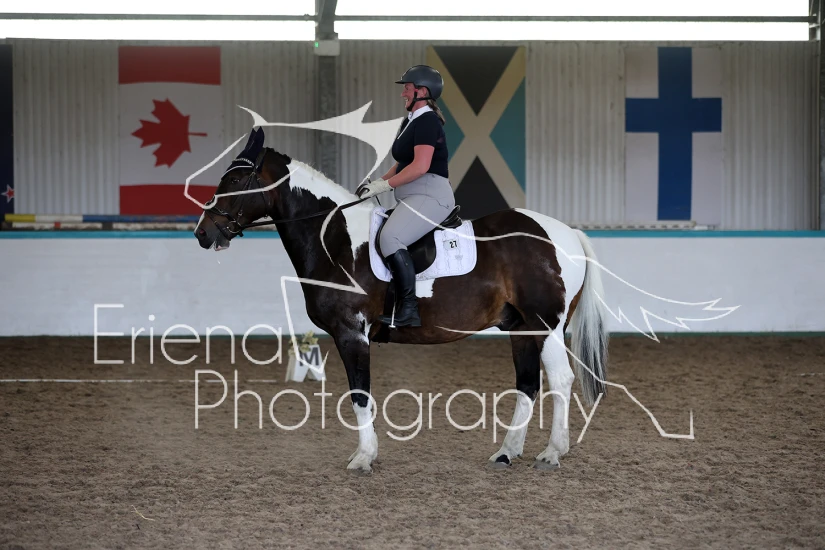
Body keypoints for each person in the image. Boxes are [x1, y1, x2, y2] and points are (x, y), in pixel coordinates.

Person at [356, 65, 456, 328]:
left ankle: (409, 309)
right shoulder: (410, 121)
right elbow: (403, 163)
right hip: (413, 195)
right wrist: (378, 182)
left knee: (391, 237)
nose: (403, 93)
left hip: (431, 194)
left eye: (407, 88)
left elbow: (420, 166)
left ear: (422, 91)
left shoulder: (427, 121)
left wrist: (385, 187)